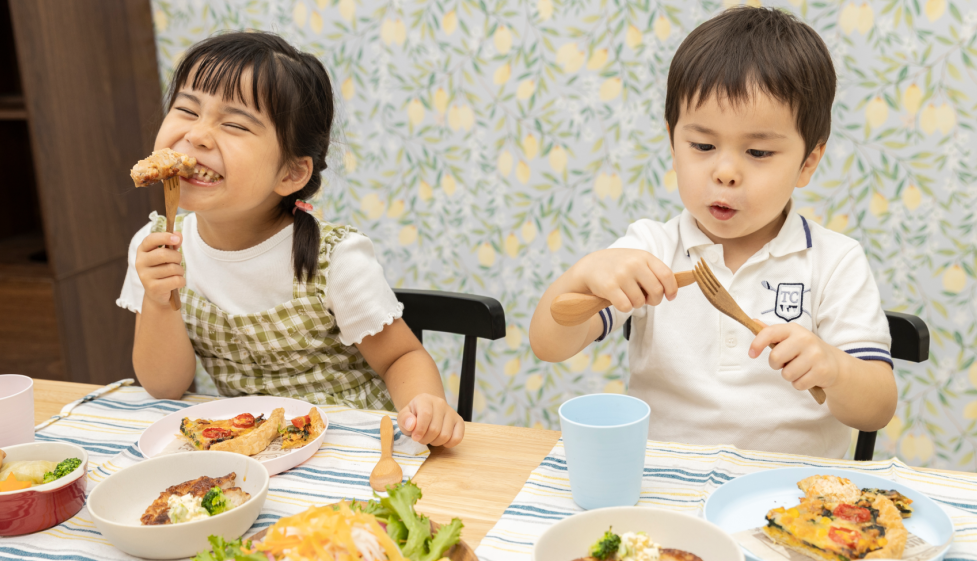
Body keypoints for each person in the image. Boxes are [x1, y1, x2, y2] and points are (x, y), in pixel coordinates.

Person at [529, 7, 896, 458]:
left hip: (789, 498)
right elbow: (549, 344)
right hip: (664, 490)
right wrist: (585, 274)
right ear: (672, 142)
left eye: (758, 151)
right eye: (702, 146)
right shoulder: (650, 248)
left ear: (808, 162)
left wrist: (835, 369)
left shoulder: (834, 260)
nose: (725, 171)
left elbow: (877, 408)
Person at [117, 32, 463, 447]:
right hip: (247, 446)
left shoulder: (336, 260)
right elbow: (166, 387)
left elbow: (401, 357)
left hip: (352, 446)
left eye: (234, 124)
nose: (198, 136)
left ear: (291, 174)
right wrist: (159, 300)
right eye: (187, 110)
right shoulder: (156, 246)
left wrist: (425, 405)